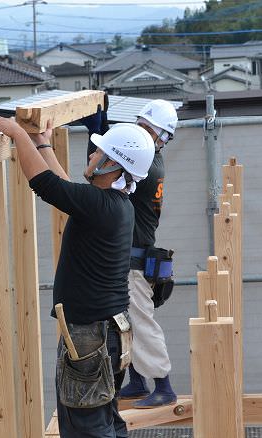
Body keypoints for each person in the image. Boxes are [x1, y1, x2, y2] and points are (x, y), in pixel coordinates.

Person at [0, 115, 155, 438]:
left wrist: (17, 133)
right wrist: (41, 143)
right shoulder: (114, 205)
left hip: (88, 336)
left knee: (83, 425)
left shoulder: (101, 206)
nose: (91, 155)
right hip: (112, 331)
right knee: (106, 417)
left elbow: (44, 185)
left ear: (112, 166)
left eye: (97, 152)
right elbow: (65, 189)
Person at [83, 98, 179, 409]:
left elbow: (107, 170)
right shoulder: (152, 158)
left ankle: (163, 385)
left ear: (158, 136)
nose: (137, 133)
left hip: (135, 261)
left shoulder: (148, 166)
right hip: (134, 257)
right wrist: (101, 132)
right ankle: (137, 381)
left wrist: (97, 135)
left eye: (142, 128)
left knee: (140, 321)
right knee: (126, 321)